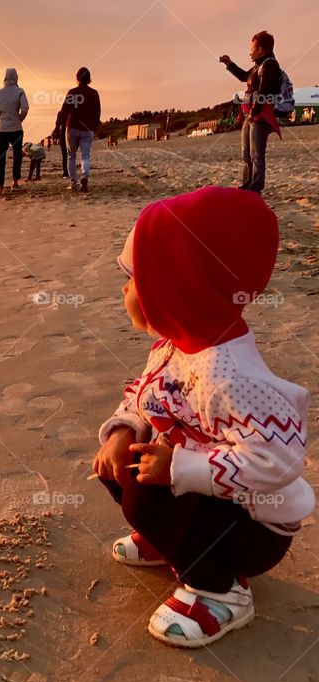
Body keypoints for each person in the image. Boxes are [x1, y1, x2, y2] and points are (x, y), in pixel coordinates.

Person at [93, 186, 313, 648]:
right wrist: (121, 431)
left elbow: (279, 461)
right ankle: (173, 542)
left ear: (175, 286)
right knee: (120, 464)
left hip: (255, 525)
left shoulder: (232, 375)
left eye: (135, 280)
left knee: (145, 496)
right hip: (208, 500)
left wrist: (180, 467)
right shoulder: (174, 346)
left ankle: (223, 591)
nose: (124, 290)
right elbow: (145, 397)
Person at [220, 30, 284, 193]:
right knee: (246, 154)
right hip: (252, 114)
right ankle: (247, 184)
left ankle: (255, 188)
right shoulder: (258, 66)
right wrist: (229, 64)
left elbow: (264, 91)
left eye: (252, 48)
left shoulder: (270, 64)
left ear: (261, 49)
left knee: (256, 154)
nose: (250, 52)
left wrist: (254, 111)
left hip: (261, 116)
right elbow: (244, 77)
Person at [0, 68, 29, 197]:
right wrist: (19, 118)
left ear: (4, 78)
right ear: (16, 78)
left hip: (1, 130)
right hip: (16, 128)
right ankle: (15, 182)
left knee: (0, 159)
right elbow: (25, 108)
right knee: (17, 156)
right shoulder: (20, 91)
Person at [59, 67, 101, 192]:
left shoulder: (72, 92)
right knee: (85, 156)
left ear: (77, 78)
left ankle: (73, 183)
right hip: (87, 129)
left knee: (71, 156)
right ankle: (84, 176)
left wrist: (57, 126)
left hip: (72, 127)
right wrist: (94, 127)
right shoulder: (94, 93)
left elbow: (64, 110)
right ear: (89, 79)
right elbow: (97, 112)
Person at [52, 106, 69, 178]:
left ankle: (65, 173)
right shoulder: (72, 112)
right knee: (71, 154)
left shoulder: (60, 113)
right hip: (71, 132)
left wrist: (54, 136)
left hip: (63, 133)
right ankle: (71, 171)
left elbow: (57, 126)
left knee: (64, 154)